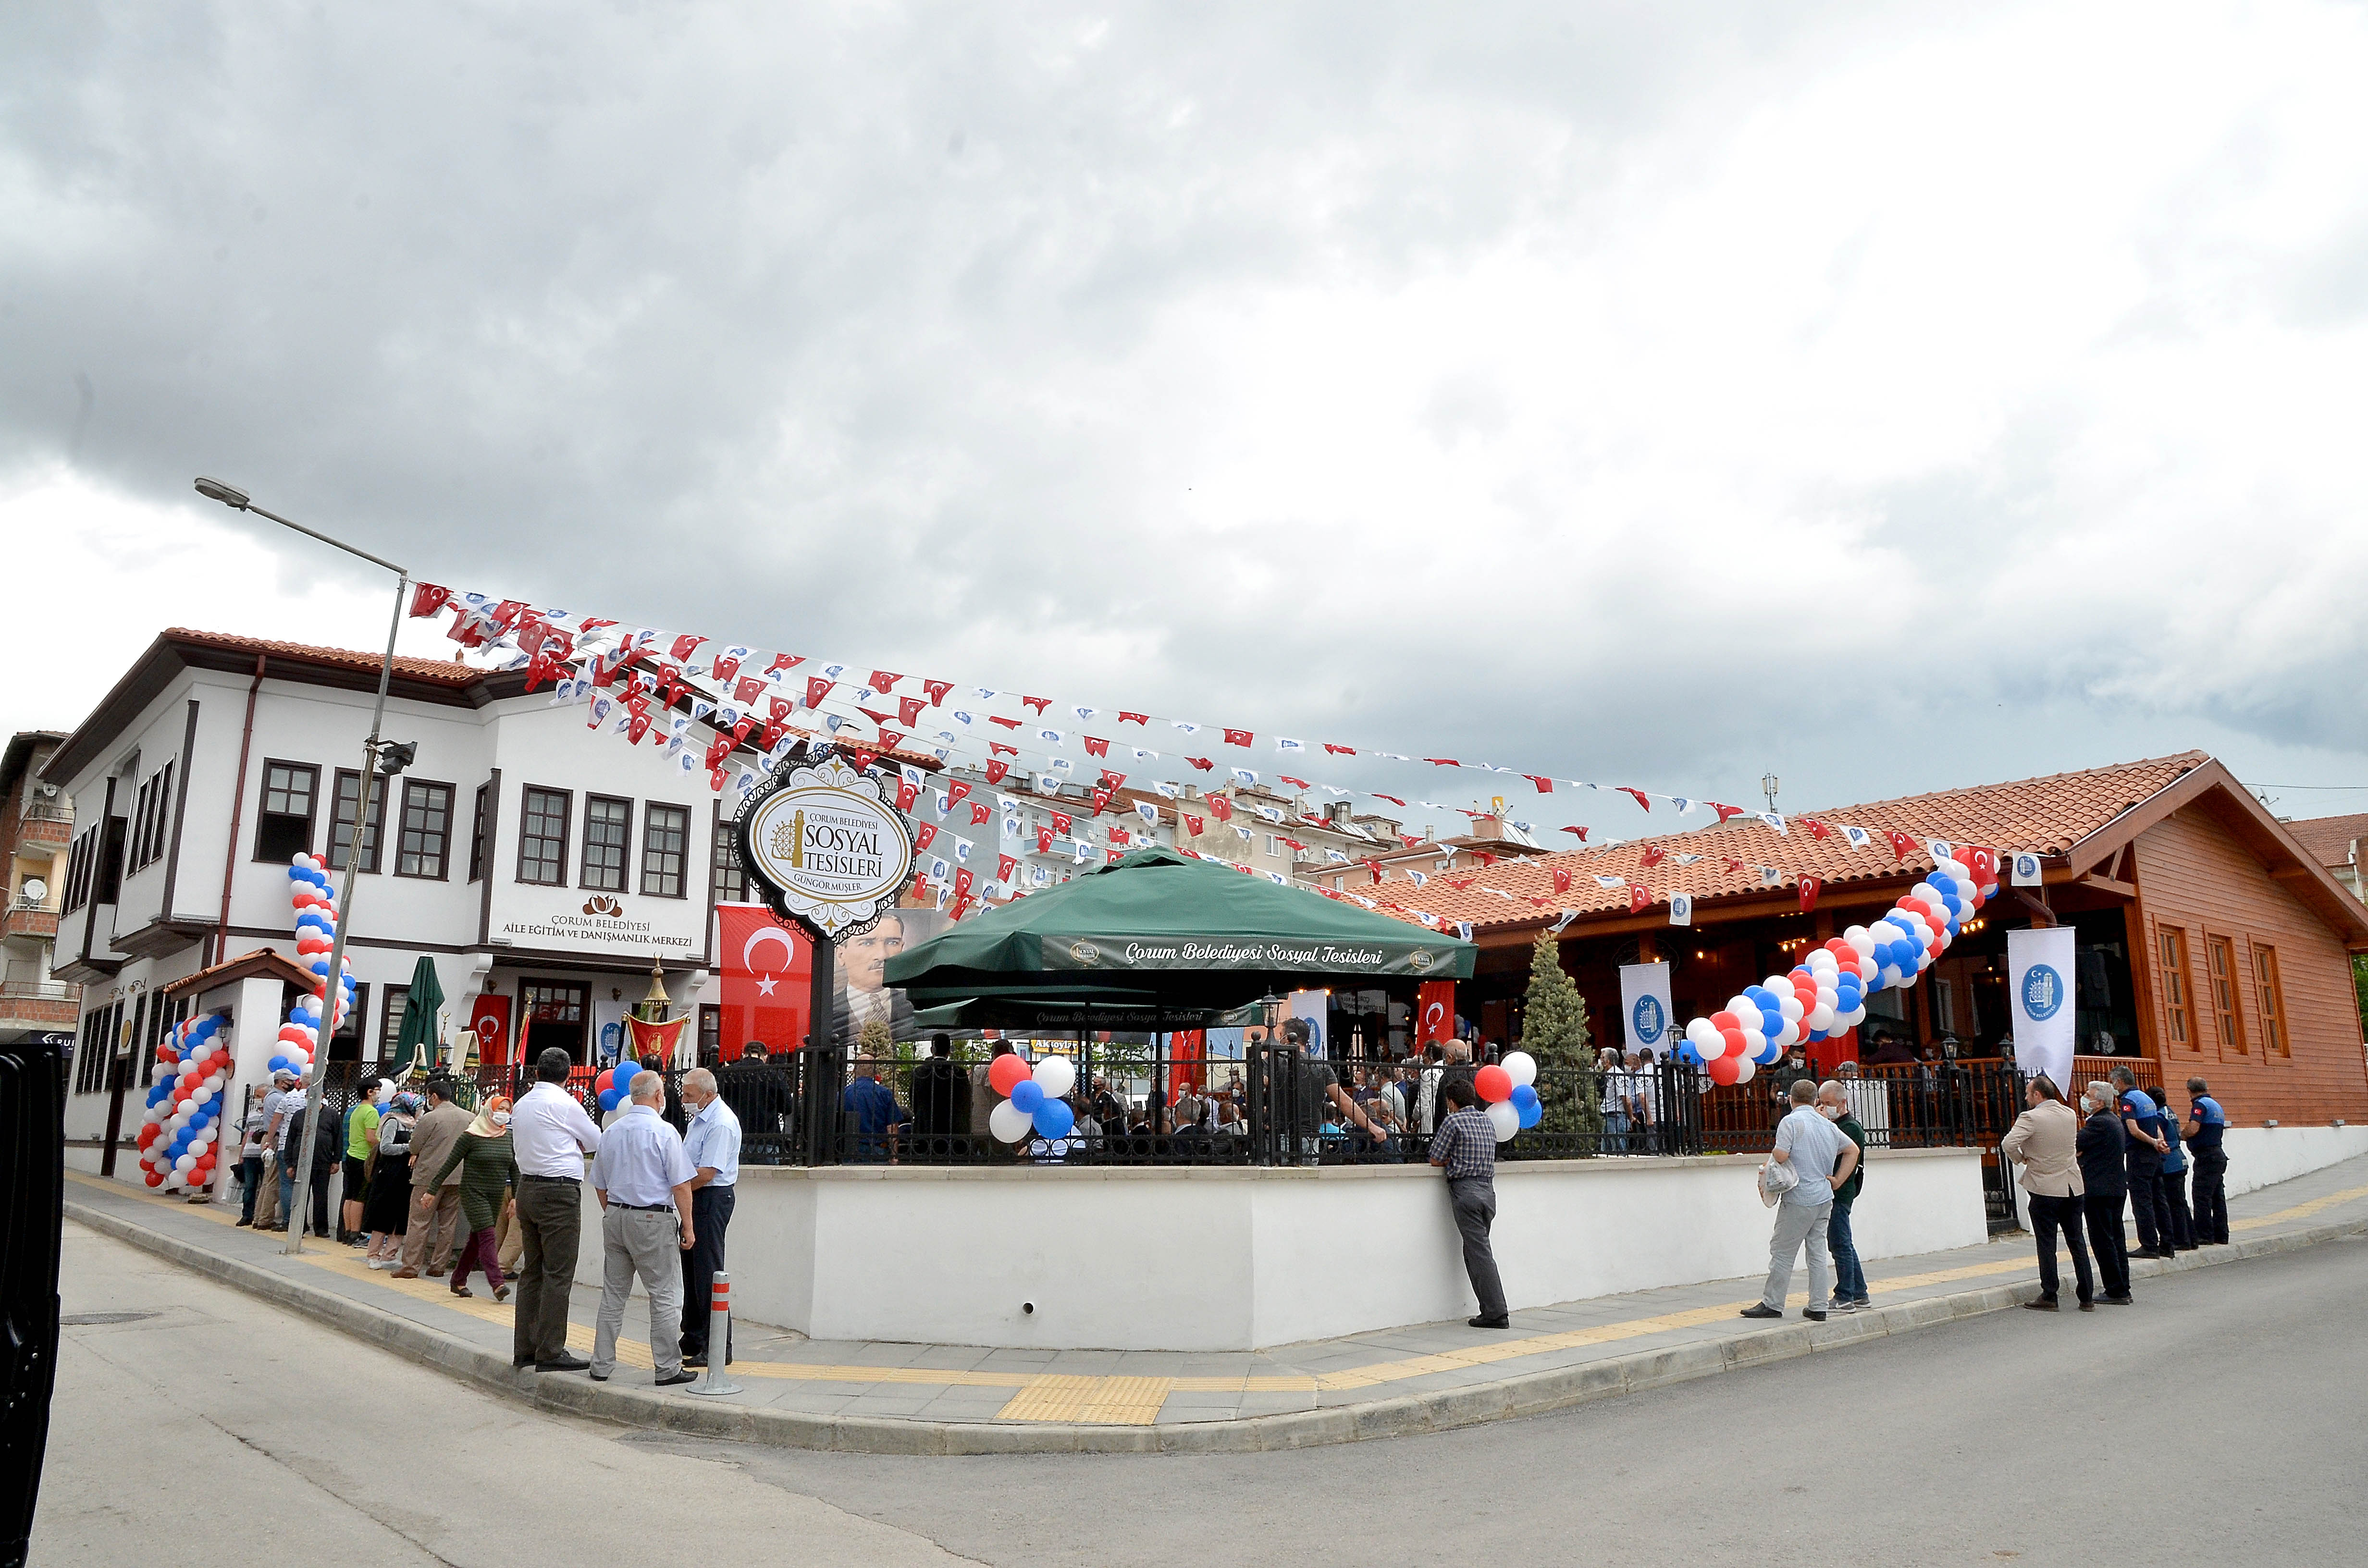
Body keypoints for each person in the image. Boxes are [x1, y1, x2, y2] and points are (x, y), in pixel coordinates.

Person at [588, 1071, 700, 1388]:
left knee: (613, 1295)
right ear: (657, 1096)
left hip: (617, 1216)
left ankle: (601, 1363)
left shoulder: (611, 1132)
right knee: (665, 1294)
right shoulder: (664, 1132)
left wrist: (613, 1212)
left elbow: (599, 1184)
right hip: (653, 1220)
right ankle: (667, 1367)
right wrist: (688, 1227)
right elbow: (681, 1186)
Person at [510, 1046, 603, 1372]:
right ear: (568, 1075)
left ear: (537, 1072)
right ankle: (550, 1350)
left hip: (528, 1188)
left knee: (532, 1272)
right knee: (558, 1274)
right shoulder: (565, 1104)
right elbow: (595, 1141)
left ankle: (525, 1348)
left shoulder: (522, 1105)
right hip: (558, 1191)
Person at [1740, 1078, 1858, 1323]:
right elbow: (1852, 1150)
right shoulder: (1827, 1125)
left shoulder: (1791, 1121)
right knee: (1816, 1252)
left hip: (1799, 1197)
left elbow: (1782, 1155)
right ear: (1816, 1100)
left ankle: (1773, 1303)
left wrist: (1774, 1154)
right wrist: (1837, 1180)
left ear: (1792, 1099)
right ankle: (1818, 1306)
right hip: (1825, 1196)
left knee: (1783, 1251)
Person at [2000, 1075, 2094, 1311]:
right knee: (2077, 1240)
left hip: (2044, 1187)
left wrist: (2022, 1159)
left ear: (2038, 1095)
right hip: (2072, 1185)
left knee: (2046, 1242)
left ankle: (2050, 1294)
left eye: (2028, 1093)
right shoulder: (2070, 1114)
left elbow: (2008, 1144)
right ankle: (2087, 1296)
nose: (2025, 1097)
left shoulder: (2030, 1117)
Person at [1428, 1078, 1509, 1328]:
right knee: (1475, 1251)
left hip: (1466, 1192)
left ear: (1451, 1102)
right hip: (1488, 1191)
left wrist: (1453, 1160)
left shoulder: (1453, 1121)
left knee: (1480, 1254)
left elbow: (1436, 1159)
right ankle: (1489, 1310)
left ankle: (1496, 1313)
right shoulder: (1488, 1121)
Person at [677, 1067, 741, 1369]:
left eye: (689, 1095)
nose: (684, 1100)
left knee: (708, 1272)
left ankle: (717, 1346)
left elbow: (707, 1173)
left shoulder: (720, 1123)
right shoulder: (700, 1119)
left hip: (710, 1198)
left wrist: (675, 1188)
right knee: (690, 1269)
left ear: (708, 1094)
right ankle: (693, 1334)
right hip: (696, 1197)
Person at [428, 1094, 517, 1301]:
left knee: (477, 1240)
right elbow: (449, 1164)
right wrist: (431, 1191)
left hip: (495, 1194)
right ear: (489, 1110)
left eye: (507, 1110)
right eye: (500, 1109)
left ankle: (458, 1280)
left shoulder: (507, 1137)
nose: (503, 1114)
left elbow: (515, 1168)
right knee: (487, 1235)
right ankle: (497, 1283)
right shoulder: (471, 1136)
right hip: (473, 1191)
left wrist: (516, 1197)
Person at [395, 1076, 469, 1279]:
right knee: (448, 1223)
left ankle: (410, 1266)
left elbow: (415, 1145)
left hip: (429, 1176)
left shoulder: (430, 1118)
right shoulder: (468, 1117)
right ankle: (439, 1266)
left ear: (434, 1097)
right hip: (457, 1176)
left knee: (419, 1222)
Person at [2078, 1081, 2134, 1305]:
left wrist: (2081, 1153)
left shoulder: (2099, 1124)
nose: (2084, 1098)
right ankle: (2122, 1285)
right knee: (2116, 1238)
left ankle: (2115, 1289)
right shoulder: (2112, 1121)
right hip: (2114, 1187)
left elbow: (2076, 1144)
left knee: (2104, 1241)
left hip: (2099, 1189)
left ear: (2099, 1102)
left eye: (2088, 1095)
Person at [1817, 1080, 1871, 1312]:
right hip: (1836, 1192)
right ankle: (1860, 1293)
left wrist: (1821, 1121)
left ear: (1842, 1103)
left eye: (1829, 1104)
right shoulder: (1836, 1124)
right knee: (1843, 1242)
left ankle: (1845, 1295)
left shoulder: (1849, 1128)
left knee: (1840, 1244)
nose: (1825, 1107)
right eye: (1821, 1103)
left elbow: (1830, 1147)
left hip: (1841, 1192)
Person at [2112, 1067, 2173, 1258]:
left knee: (2142, 1201)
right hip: (2154, 1156)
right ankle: (2167, 1245)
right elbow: (2155, 1126)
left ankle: (2149, 1245)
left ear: (2120, 1082)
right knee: (2159, 1199)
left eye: (2113, 1082)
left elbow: (2133, 1130)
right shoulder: (2146, 1098)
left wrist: (2154, 1142)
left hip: (2139, 1155)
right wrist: (2159, 1142)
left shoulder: (2128, 1100)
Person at [362, 1091, 419, 1269]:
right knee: (383, 1214)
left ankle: (390, 1254)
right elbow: (386, 1147)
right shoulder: (393, 1121)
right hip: (389, 1174)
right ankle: (373, 1255)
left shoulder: (413, 1125)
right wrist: (408, 1147)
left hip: (406, 1175)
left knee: (401, 1215)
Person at [906, 1034, 971, 1161]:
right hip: (953, 1130)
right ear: (949, 1051)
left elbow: (913, 1100)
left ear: (932, 1050)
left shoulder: (920, 1072)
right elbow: (966, 1102)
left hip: (926, 1128)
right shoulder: (959, 1072)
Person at [2183, 1079, 2231, 1245]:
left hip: (2206, 1157)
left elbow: (2193, 1128)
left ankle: (2204, 1235)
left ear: (2189, 1090)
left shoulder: (2200, 1105)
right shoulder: (2215, 1105)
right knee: (2217, 1197)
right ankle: (2222, 1234)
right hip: (2217, 1155)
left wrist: (2182, 1135)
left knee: (2201, 1196)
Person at [341, 1078, 387, 1245]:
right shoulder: (371, 1112)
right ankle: (356, 1233)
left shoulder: (356, 1110)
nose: (379, 1094)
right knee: (360, 1197)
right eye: (377, 1090)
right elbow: (370, 1138)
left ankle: (348, 1231)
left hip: (351, 1155)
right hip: (363, 1159)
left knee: (350, 1196)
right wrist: (385, 1143)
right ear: (369, 1092)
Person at [2157, 1088, 2196, 1251]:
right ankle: (2191, 1238)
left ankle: (2181, 1240)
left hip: (2169, 1163)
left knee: (2173, 1204)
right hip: (2180, 1159)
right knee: (2180, 1202)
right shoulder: (2170, 1111)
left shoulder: (2159, 1116)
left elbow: (2159, 1137)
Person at [234, 1088, 272, 1226]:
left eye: (259, 1096)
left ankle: (260, 1216)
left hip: (264, 1155)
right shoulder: (251, 1114)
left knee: (265, 1186)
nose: (256, 1098)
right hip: (249, 1155)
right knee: (249, 1186)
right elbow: (246, 1134)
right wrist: (241, 1154)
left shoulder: (272, 1113)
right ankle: (247, 1215)